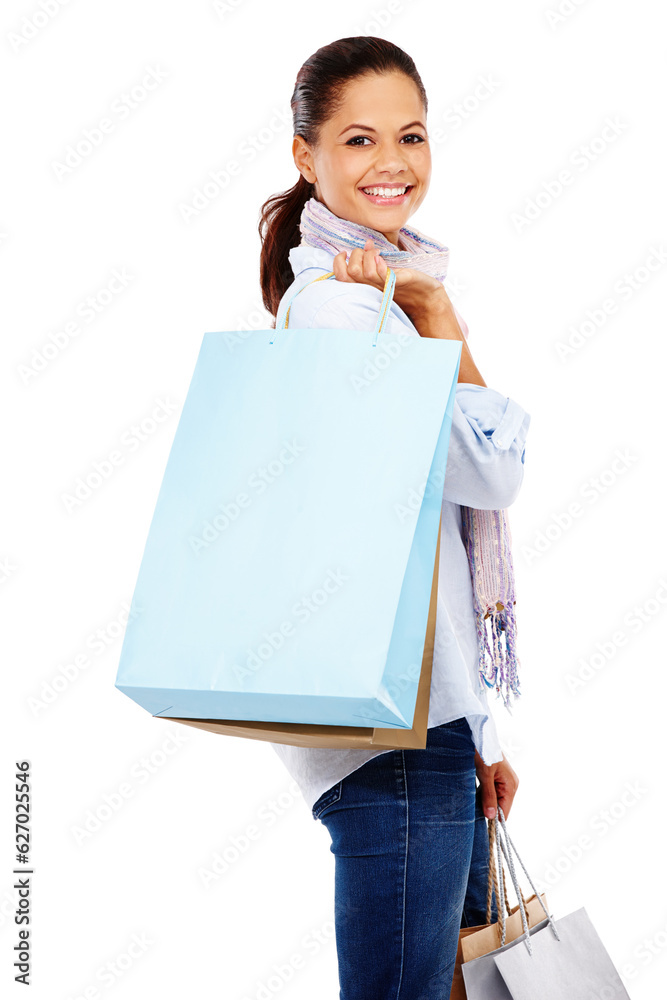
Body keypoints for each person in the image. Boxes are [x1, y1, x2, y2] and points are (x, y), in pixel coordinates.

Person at [258, 36, 529, 998]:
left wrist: (478, 734)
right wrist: (443, 321)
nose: (391, 165)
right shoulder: (343, 314)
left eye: (409, 137)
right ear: (307, 157)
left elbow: (423, 541)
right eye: (359, 139)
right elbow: (491, 470)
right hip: (397, 735)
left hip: (424, 727)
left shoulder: (372, 304)